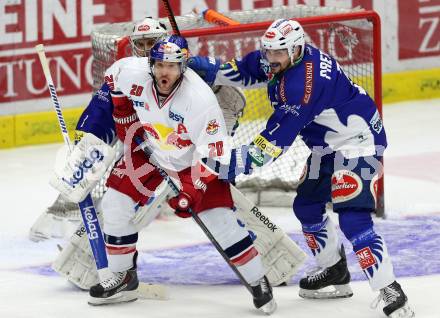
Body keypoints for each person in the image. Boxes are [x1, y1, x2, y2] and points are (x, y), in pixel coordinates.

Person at [188, 19, 415, 318]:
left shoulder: (303, 86)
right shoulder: (284, 58)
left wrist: (232, 164)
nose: (271, 59)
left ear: (296, 49)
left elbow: (273, 141)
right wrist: (203, 66)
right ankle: (333, 269)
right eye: (268, 51)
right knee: (307, 206)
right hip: (326, 146)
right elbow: (245, 70)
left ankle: (391, 290)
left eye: (277, 53)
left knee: (353, 219)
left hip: (358, 144)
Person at [85, 35, 276, 314]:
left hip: (193, 161)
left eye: (172, 66)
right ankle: (123, 277)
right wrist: (124, 115)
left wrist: (191, 190)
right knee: (115, 202)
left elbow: (213, 155)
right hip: (148, 147)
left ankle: (258, 280)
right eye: (160, 64)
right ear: (151, 64)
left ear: (184, 66)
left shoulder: (199, 100)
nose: (165, 72)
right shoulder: (132, 71)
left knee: (219, 221)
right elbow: (114, 79)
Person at [29, 17, 168, 242]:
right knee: (98, 162)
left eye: (151, 42)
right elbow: (102, 109)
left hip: (166, 138)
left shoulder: (178, 69)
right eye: (140, 44)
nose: (145, 50)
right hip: (133, 134)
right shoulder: (124, 71)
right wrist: (87, 139)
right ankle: (66, 210)